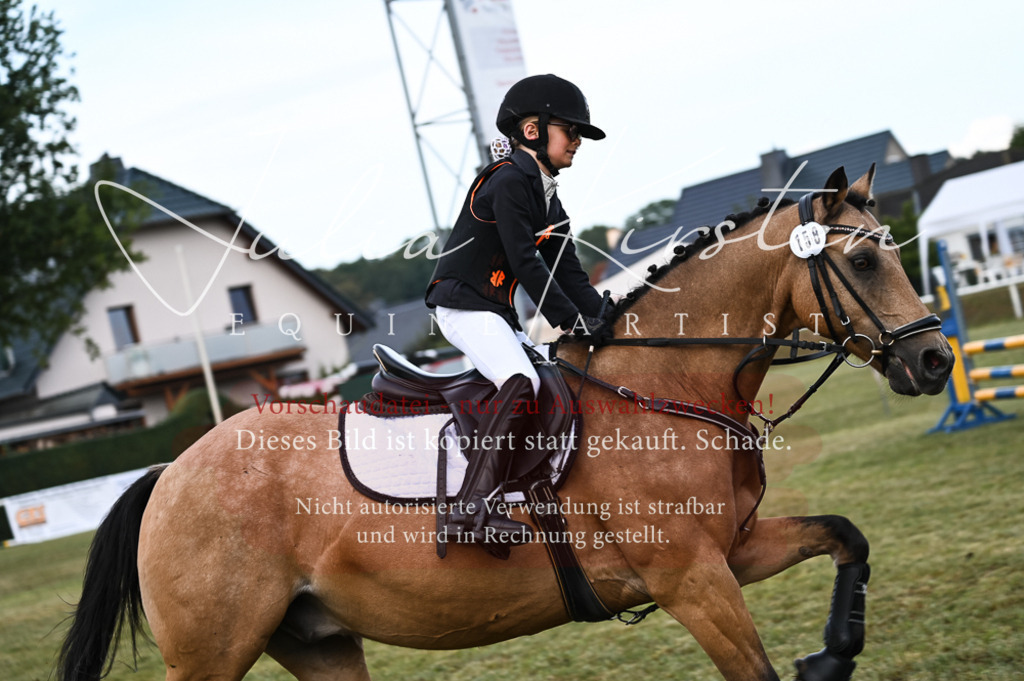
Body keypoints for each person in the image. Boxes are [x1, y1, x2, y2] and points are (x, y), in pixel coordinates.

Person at [425, 74, 610, 551]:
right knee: (522, 382)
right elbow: (526, 260)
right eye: (570, 131)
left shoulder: (547, 195)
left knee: (553, 376)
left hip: (493, 314)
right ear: (533, 130)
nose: (576, 143)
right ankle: (469, 511)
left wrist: (609, 320)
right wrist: (570, 320)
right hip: (461, 306)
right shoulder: (508, 181)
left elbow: (568, 270)